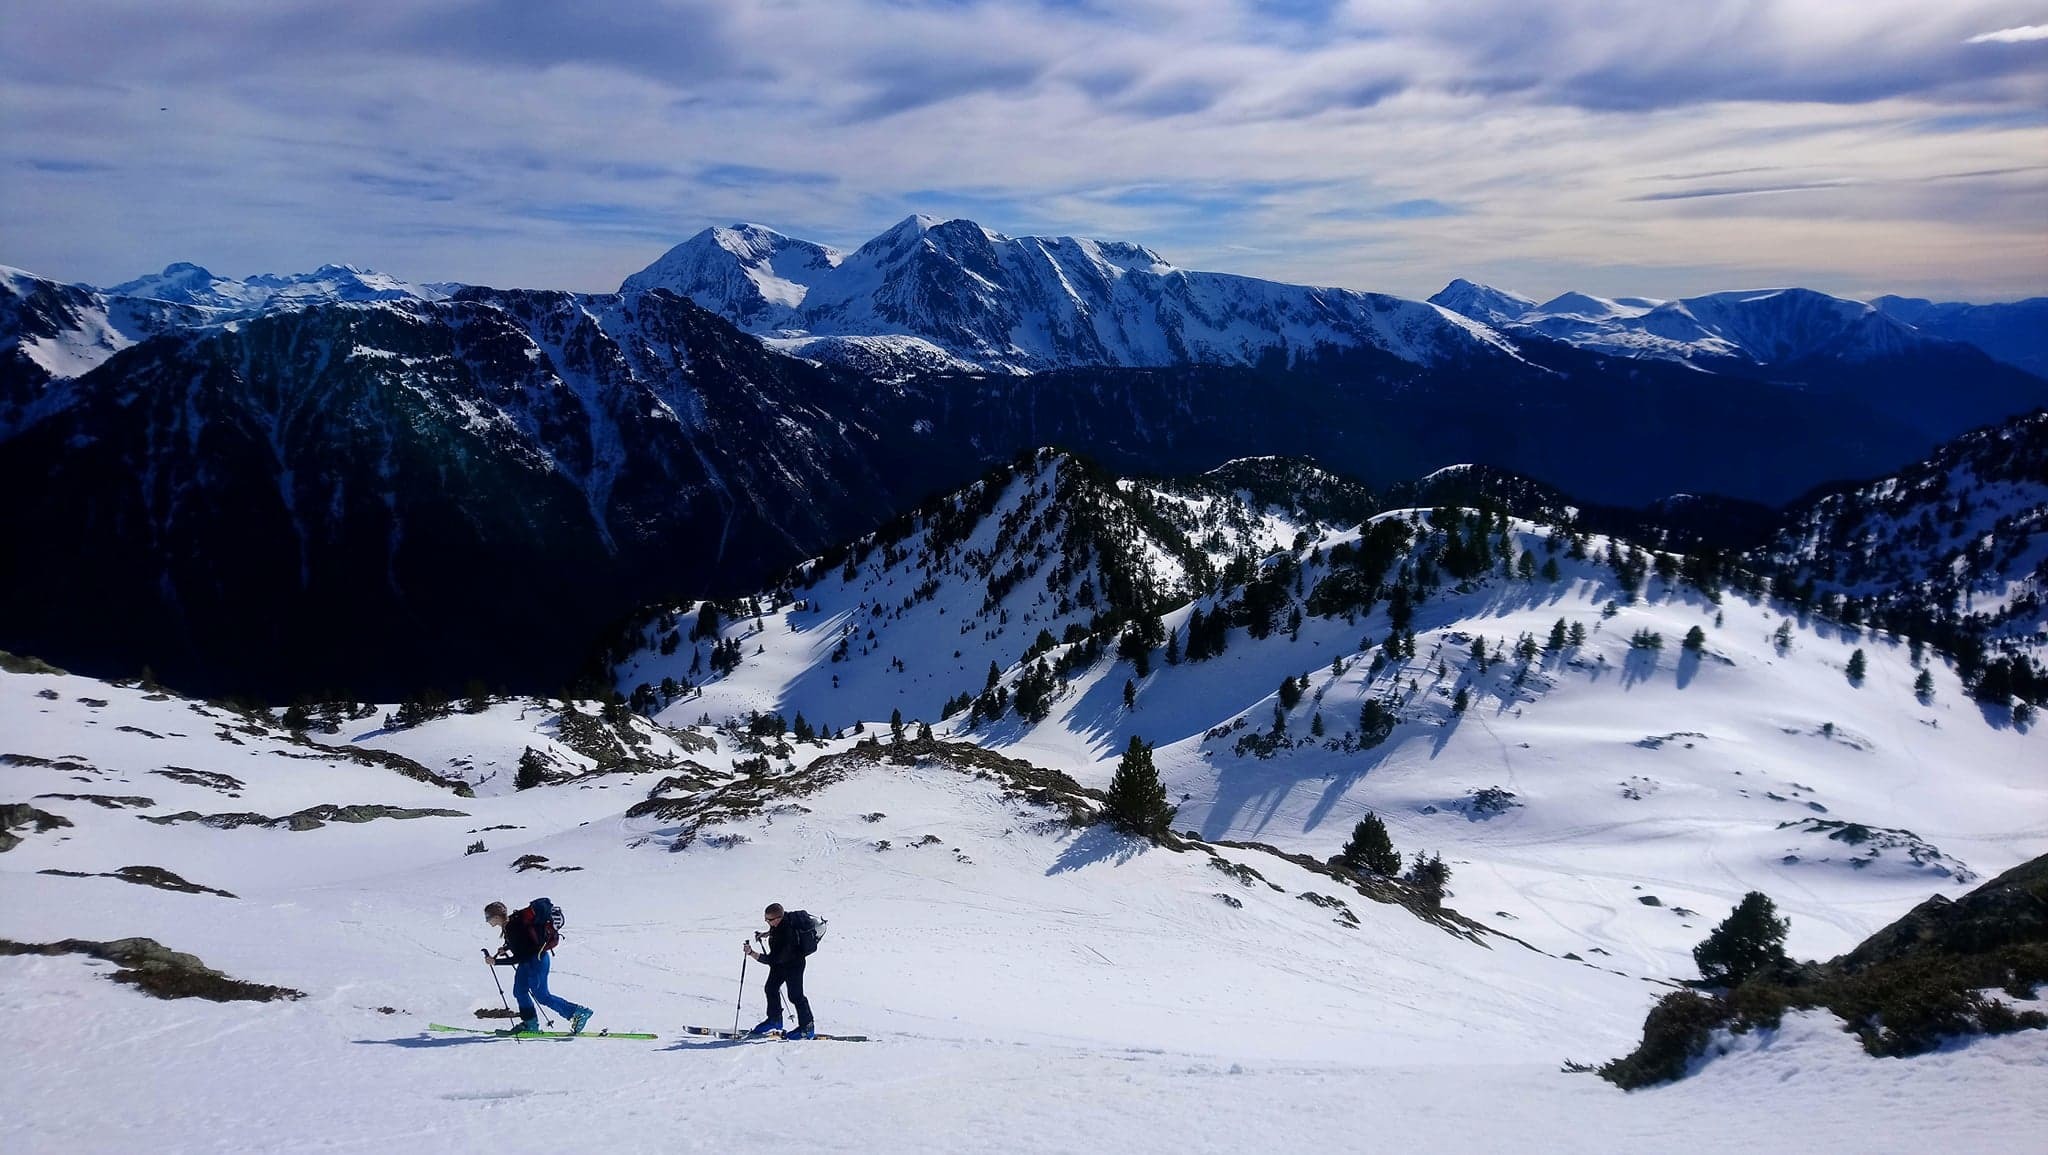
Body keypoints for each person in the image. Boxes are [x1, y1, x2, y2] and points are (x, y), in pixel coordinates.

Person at [485, 900, 593, 1035]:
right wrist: (507, 948)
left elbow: (519, 957)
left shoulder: (512, 926)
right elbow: (524, 942)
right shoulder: (511, 924)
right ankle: (530, 1024)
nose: (487, 921)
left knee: (542, 996)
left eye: (487, 917)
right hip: (529, 961)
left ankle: (579, 1013)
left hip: (537, 961)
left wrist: (495, 962)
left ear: (496, 917)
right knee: (519, 991)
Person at [743, 903, 815, 1040]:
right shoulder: (780, 922)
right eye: (766, 919)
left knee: (795, 996)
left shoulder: (787, 935)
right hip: (781, 963)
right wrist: (766, 933)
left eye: (769, 920)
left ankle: (807, 1027)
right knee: (771, 988)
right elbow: (776, 931)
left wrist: (751, 953)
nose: (767, 922)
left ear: (778, 918)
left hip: (794, 964)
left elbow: (772, 959)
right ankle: (775, 1019)